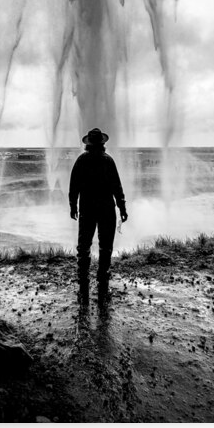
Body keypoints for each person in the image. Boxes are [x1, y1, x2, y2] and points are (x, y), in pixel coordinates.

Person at [69, 127, 128, 304]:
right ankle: (103, 281)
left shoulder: (82, 160)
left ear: (88, 144)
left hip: (87, 209)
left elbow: (74, 186)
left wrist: (73, 206)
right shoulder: (108, 161)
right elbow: (117, 187)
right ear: (102, 143)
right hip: (106, 209)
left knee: (84, 246)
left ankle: (83, 284)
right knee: (106, 246)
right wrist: (122, 207)